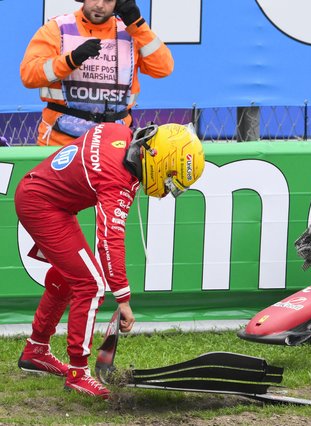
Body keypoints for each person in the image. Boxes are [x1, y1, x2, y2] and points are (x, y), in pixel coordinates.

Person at [15, 122, 205, 399]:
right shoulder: (118, 180)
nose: (165, 192)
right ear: (159, 159)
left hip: (41, 196)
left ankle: (36, 350)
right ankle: (78, 373)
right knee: (90, 285)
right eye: (169, 181)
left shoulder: (119, 133)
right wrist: (123, 298)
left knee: (70, 277)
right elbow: (109, 241)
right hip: (42, 206)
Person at [20, 0, 174, 146]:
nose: (100, 5)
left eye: (108, 0)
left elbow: (163, 68)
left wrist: (138, 24)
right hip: (60, 143)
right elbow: (29, 75)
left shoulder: (132, 33)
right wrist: (70, 60)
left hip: (114, 144)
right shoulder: (57, 28)